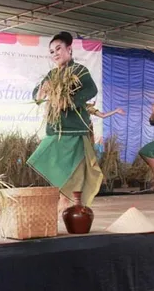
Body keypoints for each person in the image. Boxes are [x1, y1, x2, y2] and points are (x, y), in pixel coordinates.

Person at [27, 31, 103, 213]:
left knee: (75, 169)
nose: (55, 54)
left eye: (58, 49)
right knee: (43, 158)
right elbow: (36, 96)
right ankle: (67, 200)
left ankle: (68, 202)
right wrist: (41, 92)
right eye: (52, 51)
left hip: (74, 127)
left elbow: (91, 90)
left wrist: (69, 101)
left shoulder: (79, 71)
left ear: (69, 49)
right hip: (55, 129)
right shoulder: (51, 74)